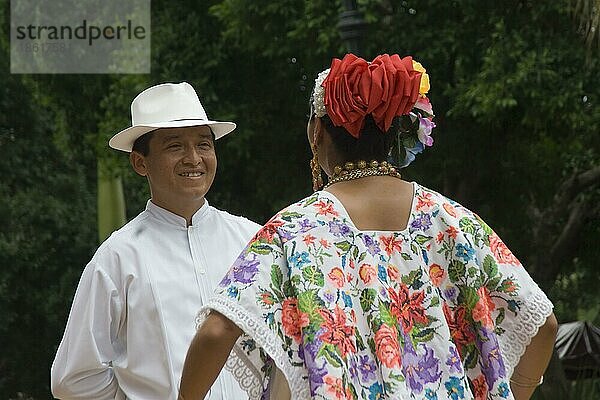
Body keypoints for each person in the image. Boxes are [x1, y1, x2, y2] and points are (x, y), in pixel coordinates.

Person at [178, 54, 558, 400]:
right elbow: (543, 324)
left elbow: (216, 332)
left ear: (316, 132)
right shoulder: (454, 222)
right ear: (394, 133)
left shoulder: (295, 231)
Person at [51, 82, 260, 399]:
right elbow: (73, 379)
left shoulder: (252, 240)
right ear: (140, 162)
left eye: (204, 145)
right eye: (175, 147)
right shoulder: (118, 258)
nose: (194, 158)